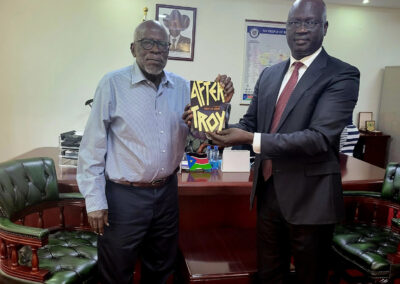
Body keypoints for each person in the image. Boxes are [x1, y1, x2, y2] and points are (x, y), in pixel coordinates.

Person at [207, 0, 360, 283]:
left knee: (308, 277)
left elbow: (319, 138)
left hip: (311, 199)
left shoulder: (342, 74)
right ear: (285, 28)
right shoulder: (269, 74)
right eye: (293, 23)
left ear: (324, 27)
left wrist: (251, 138)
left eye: (309, 22)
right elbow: (249, 125)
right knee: (269, 274)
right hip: (268, 193)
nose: (300, 29)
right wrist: (212, 116)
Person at [76, 20, 233, 284]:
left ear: (169, 50)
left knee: (161, 269)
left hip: (167, 194)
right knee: (115, 272)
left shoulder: (183, 87)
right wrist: (95, 202)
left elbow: (201, 139)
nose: (155, 51)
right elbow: (92, 148)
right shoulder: (112, 84)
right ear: (133, 48)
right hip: (124, 198)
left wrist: (220, 102)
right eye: (147, 43)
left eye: (162, 45)